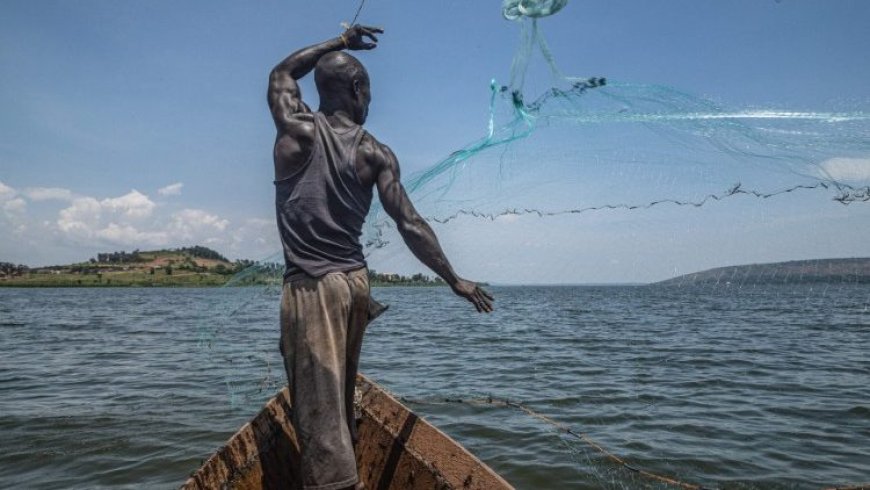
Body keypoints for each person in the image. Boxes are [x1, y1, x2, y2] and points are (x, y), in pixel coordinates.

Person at [267, 24, 494, 490]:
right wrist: (454, 279)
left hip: (315, 290)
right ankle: (345, 457)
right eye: (368, 90)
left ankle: (335, 482)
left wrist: (338, 41)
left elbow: (282, 72)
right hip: (355, 287)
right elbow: (410, 223)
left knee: (319, 408)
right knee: (340, 392)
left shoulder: (297, 130)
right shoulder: (376, 153)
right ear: (356, 88)